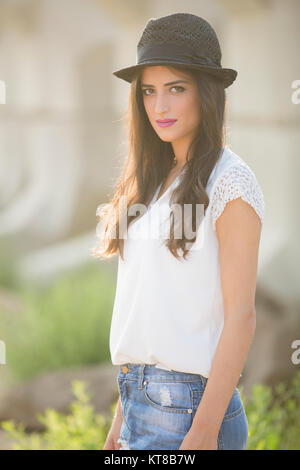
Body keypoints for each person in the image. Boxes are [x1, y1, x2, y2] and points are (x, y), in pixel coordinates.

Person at [94, 13, 264, 450]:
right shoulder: (152, 181)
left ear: (205, 93)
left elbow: (241, 318)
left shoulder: (230, 184)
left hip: (190, 413)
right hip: (139, 403)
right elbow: (151, 314)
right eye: (149, 91)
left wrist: (205, 431)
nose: (159, 107)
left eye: (176, 89)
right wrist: (120, 422)